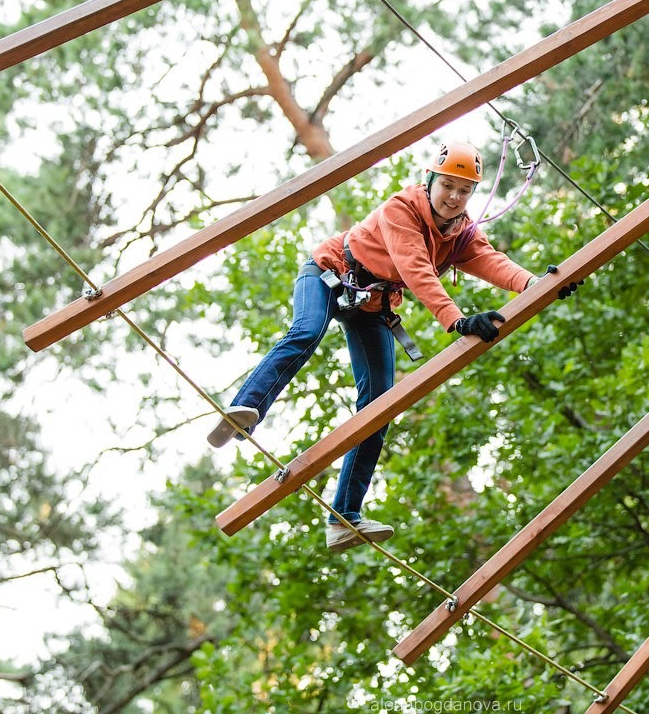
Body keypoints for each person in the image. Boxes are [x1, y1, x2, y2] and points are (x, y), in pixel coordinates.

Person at [207, 140, 577, 553]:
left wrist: (536, 285)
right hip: (331, 273)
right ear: (430, 180)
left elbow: (492, 262)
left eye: (464, 190)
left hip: (372, 304)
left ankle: (344, 517)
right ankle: (245, 409)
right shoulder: (400, 210)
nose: (455, 197)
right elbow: (416, 269)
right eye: (448, 186)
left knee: (380, 403)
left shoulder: (460, 234)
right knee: (307, 332)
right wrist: (456, 320)